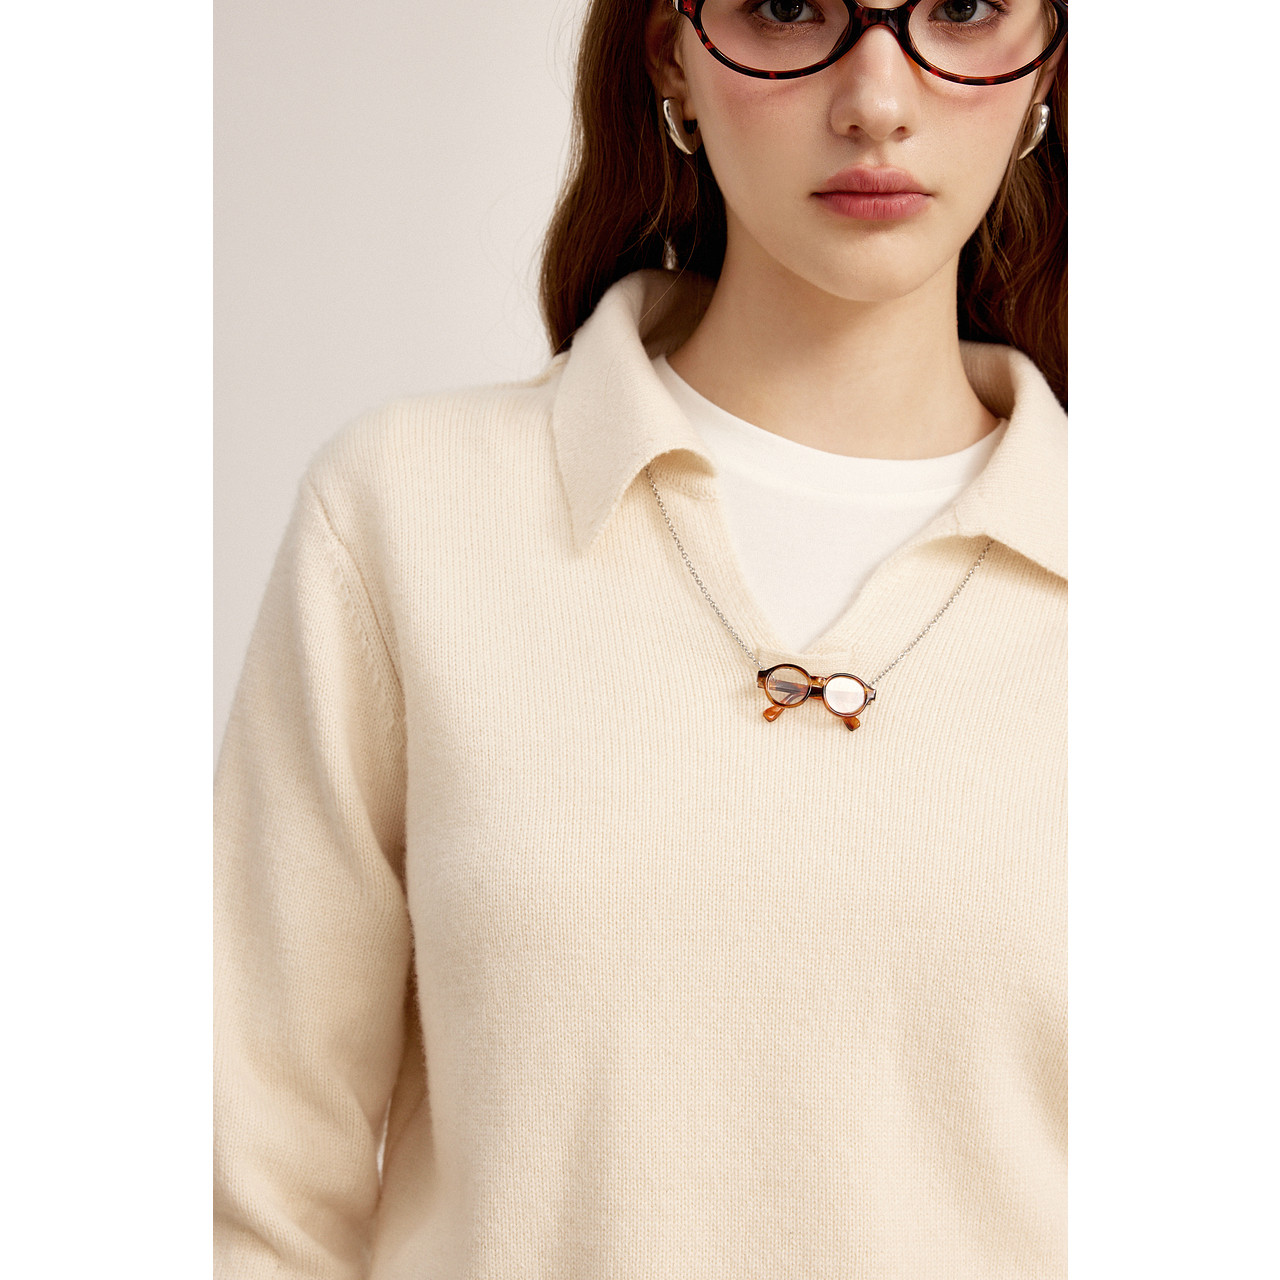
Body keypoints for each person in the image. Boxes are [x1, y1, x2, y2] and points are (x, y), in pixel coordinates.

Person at [214, 0, 1068, 1275]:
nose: (877, 102)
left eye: (958, 10)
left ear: (1047, 62)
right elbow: (249, 1184)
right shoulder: (407, 513)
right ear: (670, 51)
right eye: (788, 9)